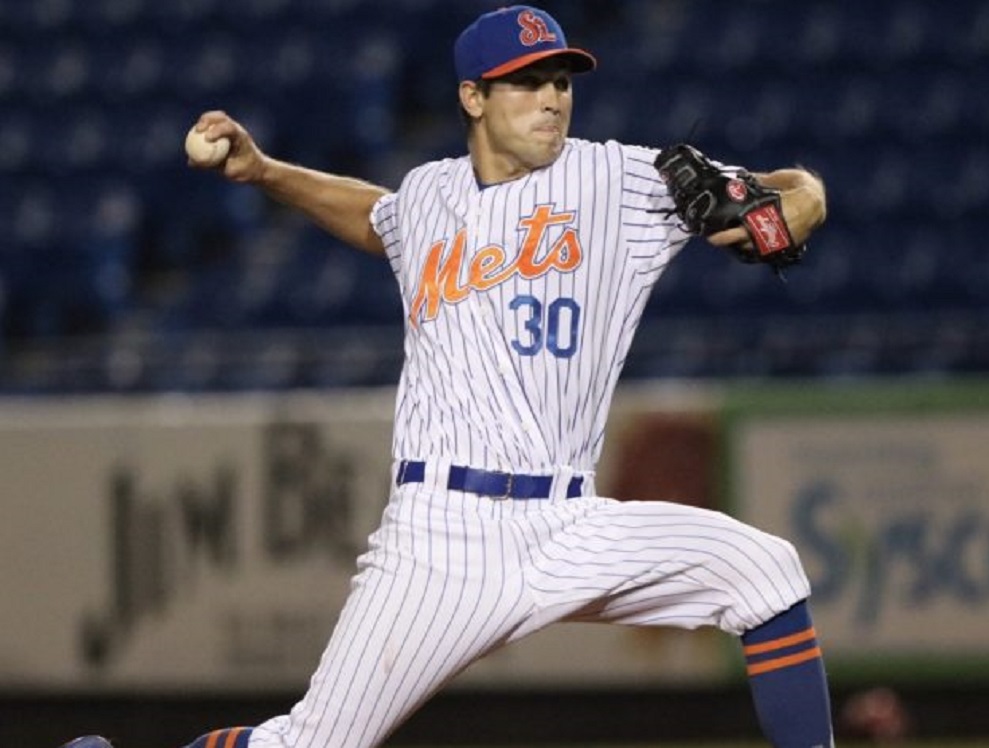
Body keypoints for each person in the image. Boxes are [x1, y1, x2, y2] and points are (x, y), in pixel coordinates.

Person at [63, 5, 830, 748]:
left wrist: (792, 210)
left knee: (765, 571)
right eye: (527, 82)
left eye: (562, 80)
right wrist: (265, 172)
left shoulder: (621, 179)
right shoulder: (428, 193)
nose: (552, 99)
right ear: (474, 97)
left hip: (571, 523)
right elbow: (378, 218)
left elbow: (789, 195)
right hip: (441, 537)